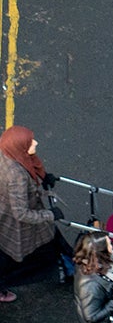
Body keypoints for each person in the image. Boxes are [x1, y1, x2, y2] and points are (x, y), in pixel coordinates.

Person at [0, 126, 57, 298]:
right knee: (12, 259)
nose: (35, 143)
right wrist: (51, 215)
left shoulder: (7, 154)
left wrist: (43, 176)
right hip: (15, 224)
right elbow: (21, 214)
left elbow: (30, 162)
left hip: (4, 211)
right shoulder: (16, 176)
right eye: (30, 142)